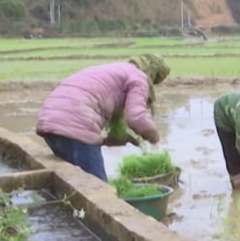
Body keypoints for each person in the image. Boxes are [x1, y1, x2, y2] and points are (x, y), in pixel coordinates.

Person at [35, 54, 171, 181]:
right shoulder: (139, 77)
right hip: (74, 125)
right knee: (98, 188)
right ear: (153, 74)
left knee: (74, 182)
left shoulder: (117, 69)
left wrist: (117, 139)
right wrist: (154, 137)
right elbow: (136, 118)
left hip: (49, 123)